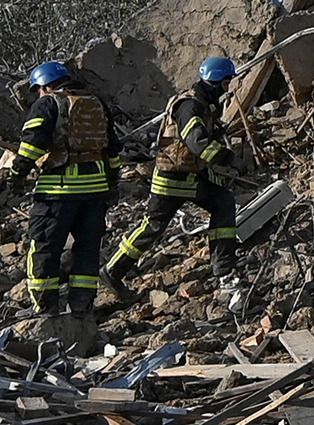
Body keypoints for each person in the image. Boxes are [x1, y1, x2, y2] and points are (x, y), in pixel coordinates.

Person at [103, 56, 241, 298]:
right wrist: (227, 158)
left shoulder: (202, 103)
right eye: (227, 83)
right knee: (152, 227)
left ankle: (223, 268)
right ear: (217, 82)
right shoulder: (190, 107)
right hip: (172, 180)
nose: (228, 89)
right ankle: (112, 271)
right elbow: (196, 141)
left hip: (191, 177)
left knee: (223, 203)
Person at [8, 61, 121, 318]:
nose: (39, 93)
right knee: (87, 249)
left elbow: (32, 145)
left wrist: (16, 175)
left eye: (39, 89)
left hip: (58, 191)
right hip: (95, 190)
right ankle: (81, 307)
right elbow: (112, 148)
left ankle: (44, 309)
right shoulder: (95, 103)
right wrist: (112, 182)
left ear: (46, 86)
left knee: (45, 247)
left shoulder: (48, 104)